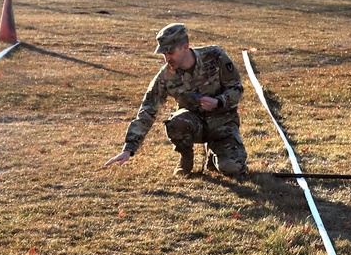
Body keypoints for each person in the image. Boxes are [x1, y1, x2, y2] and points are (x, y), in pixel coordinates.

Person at [105, 23, 248, 178]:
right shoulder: (166, 76)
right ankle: (186, 160)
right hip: (194, 123)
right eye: (164, 54)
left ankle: (214, 154)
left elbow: (237, 88)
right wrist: (129, 149)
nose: (167, 59)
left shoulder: (215, 56)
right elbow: (148, 110)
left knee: (233, 169)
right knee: (176, 122)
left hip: (223, 122)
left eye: (170, 52)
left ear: (185, 47)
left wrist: (219, 101)